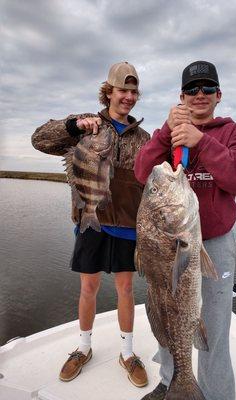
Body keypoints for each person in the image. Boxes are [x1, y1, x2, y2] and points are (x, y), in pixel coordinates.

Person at [134, 60, 236, 400]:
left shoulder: (234, 134)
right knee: (167, 315)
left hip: (214, 243)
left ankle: (215, 394)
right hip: (166, 246)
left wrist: (201, 142)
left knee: (213, 331)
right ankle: (170, 382)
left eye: (206, 88)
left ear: (218, 95)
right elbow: (143, 173)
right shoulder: (169, 132)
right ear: (181, 96)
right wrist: (164, 133)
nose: (199, 95)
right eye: (192, 89)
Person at [31, 61, 149, 387]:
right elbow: (39, 139)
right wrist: (73, 126)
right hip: (89, 218)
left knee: (125, 290)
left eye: (133, 91)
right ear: (108, 91)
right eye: (122, 90)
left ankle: (127, 353)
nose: (127, 96)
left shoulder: (144, 138)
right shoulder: (89, 124)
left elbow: (156, 181)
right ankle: (83, 348)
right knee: (88, 288)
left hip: (127, 226)